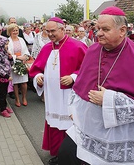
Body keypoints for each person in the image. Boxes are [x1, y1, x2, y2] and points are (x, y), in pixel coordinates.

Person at [58, 6, 134, 165]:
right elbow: (81, 84)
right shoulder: (93, 50)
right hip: (87, 124)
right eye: (97, 29)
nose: (99, 33)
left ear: (122, 30)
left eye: (105, 29)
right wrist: (74, 109)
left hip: (117, 133)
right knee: (66, 155)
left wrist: (108, 99)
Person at [29, 17, 87, 165]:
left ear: (62, 29)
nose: (50, 34)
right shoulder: (47, 48)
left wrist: (74, 77)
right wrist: (39, 77)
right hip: (52, 96)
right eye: (47, 31)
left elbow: (88, 70)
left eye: (53, 31)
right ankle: (57, 154)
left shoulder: (77, 46)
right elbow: (36, 69)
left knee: (70, 125)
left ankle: (72, 156)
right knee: (54, 124)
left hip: (69, 95)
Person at [7, 23, 30, 107]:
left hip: (22, 63)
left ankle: (24, 98)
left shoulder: (21, 39)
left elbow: (26, 50)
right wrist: (17, 57)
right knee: (15, 83)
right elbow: (8, 53)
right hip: (14, 63)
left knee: (24, 82)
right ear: (10, 31)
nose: (15, 32)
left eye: (16, 30)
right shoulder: (8, 41)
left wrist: (25, 57)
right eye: (13, 30)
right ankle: (17, 99)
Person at [0, 35, 14, 117]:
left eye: (7, 44)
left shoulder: (6, 52)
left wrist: (10, 58)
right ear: (1, 44)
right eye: (6, 44)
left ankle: (5, 107)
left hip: (6, 76)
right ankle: (2, 109)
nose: (7, 46)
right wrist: (6, 76)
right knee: (1, 94)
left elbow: (10, 64)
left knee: (5, 93)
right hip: (1, 77)